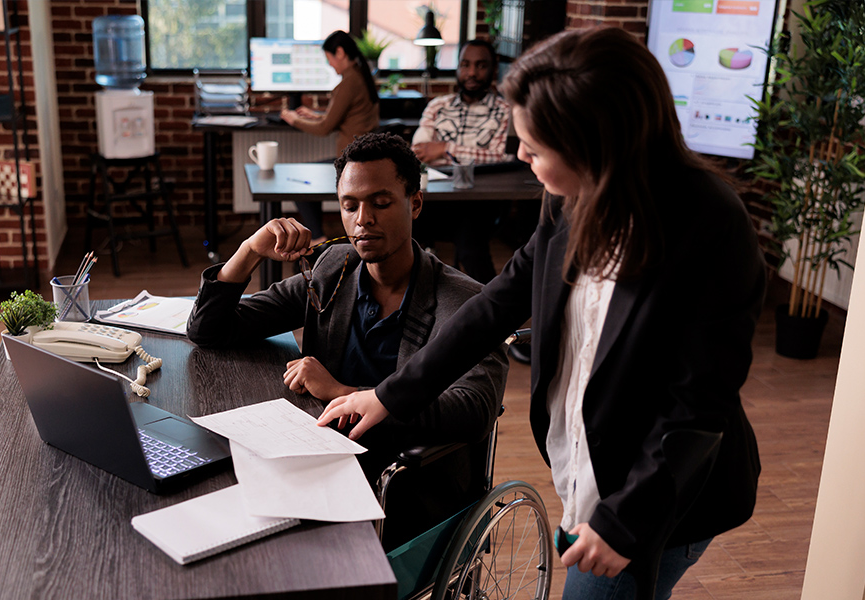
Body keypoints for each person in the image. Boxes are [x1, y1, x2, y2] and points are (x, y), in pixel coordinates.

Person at [318, 28, 764, 599]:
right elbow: (497, 303)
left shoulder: (710, 224)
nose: (522, 156)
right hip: (589, 466)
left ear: (594, 144)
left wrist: (625, 522)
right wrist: (387, 394)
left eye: (535, 146)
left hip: (656, 491)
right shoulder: (572, 194)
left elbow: (698, 405)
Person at [188, 132, 507, 548]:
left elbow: (476, 407)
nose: (363, 219)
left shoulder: (464, 300)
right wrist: (249, 250)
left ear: (415, 203)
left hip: (403, 486)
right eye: (349, 205)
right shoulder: (335, 267)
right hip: (318, 464)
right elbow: (210, 330)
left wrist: (349, 394)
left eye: (380, 202)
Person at [411, 38, 512, 285]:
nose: (472, 73)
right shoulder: (438, 106)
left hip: (479, 203)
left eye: (480, 66)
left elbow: (501, 156)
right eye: (465, 65)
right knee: (398, 230)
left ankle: (492, 311)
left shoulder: (505, 111)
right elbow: (420, 151)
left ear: (493, 69)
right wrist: (469, 153)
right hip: (437, 200)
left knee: (471, 247)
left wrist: (445, 148)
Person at [280, 30, 381, 245]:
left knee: (299, 186)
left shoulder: (348, 83)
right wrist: (314, 114)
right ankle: (318, 236)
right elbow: (343, 119)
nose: (330, 65)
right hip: (362, 158)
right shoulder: (361, 76)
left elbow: (325, 128)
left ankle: (318, 239)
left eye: (330, 59)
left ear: (340, 53)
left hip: (351, 163)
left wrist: (292, 119)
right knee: (307, 183)